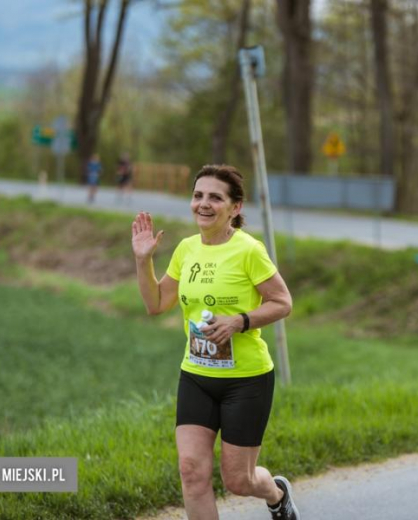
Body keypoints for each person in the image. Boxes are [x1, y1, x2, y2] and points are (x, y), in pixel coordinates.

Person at [131, 164, 300, 520]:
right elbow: (156, 304)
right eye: (197, 195)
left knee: (239, 480)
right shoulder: (187, 249)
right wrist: (143, 260)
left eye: (214, 197)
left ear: (235, 208)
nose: (203, 204)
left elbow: (283, 302)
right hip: (196, 375)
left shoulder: (248, 250)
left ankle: (277, 493)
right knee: (192, 472)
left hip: (246, 380)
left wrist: (240, 321)